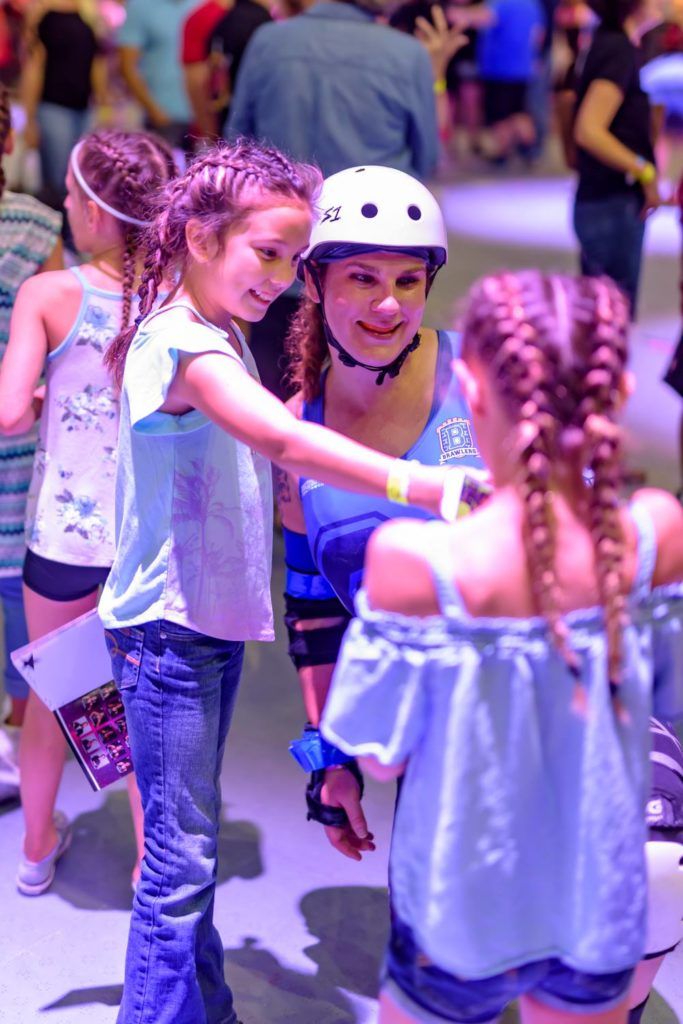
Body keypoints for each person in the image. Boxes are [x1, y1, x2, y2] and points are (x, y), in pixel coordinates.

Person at [95, 138, 462, 1024]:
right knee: (176, 867)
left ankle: (205, 1012)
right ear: (195, 236)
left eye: (291, 260)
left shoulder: (220, 331)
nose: (278, 277)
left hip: (207, 631)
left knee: (189, 858)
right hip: (168, 634)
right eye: (267, 254)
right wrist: (426, 483)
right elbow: (286, 450)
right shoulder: (188, 346)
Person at [321, 269, 683, 1024]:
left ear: (469, 387)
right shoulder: (656, 533)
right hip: (598, 895)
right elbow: (667, 705)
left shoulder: (414, 563)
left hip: (462, 903)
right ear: (614, 394)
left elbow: (380, 755)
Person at [277, 163, 485, 859]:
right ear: (314, 284)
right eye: (362, 278)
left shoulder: (478, 382)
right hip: (411, 737)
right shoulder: (294, 434)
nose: (388, 305)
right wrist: (328, 761)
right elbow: (313, 616)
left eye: (406, 281)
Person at [0, 128, 177, 895]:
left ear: (100, 212)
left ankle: (37, 850)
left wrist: (41, 396)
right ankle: (149, 865)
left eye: (73, 196)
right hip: (149, 542)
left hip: (63, 545)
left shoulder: (51, 295)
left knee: (54, 695)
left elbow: (9, 414)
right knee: (143, 706)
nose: (64, 206)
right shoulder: (177, 297)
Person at [226, 0, 463, 399]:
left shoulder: (269, 41)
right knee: (365, 402)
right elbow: (427, 158)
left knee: (274, 397)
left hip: (282, 256)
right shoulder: (407, 54)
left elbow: (237, 145)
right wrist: (435, 77)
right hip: (372, 262)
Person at [0, 83, 62, 800]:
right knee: (25, 604)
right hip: (23, 453)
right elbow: (63, 352)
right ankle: (22, 741)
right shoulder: (36, 226)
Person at [572, 0, 669, 313]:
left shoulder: (613, 45)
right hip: (611, 205)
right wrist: (645, 171)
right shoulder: (617, 50)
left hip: (605, 203)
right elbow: (589, 129)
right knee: (610, 322)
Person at [20, 0, 106, 218]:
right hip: (53, 107)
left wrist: (103, 101)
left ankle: (71, 239)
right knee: (58, 182)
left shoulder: (87, 12)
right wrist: (28, 119)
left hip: (83, 108)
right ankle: (54, 239)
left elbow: (94, 60)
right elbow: (34, 67)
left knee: (81, 181)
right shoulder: (42, 14)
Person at [117, 0, 198, 155]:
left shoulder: (203, 4)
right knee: (162, 176)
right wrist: (154, 111)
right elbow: (127, 66)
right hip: (163, 117)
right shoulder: (140, 6)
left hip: (201, 119)